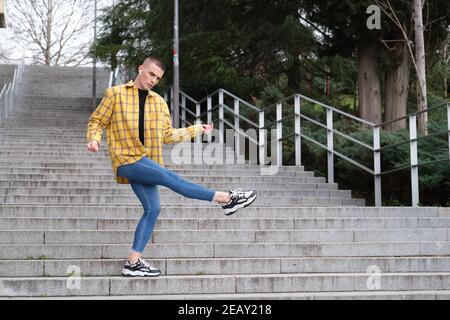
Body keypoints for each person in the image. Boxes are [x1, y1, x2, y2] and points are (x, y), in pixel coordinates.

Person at [86, 57, 257, 277]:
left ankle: (133, 262)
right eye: (150, 74)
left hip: (147, 161)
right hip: (126, 158)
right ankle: (226, 198)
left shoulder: (158, 102)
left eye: (157, 78)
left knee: (153, 209)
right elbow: (97, 121)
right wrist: (95, 139)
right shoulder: (115, 94)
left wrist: (197, 129)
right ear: (141, 69)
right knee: (172, 179)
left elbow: (168, 135)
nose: (153, 80)